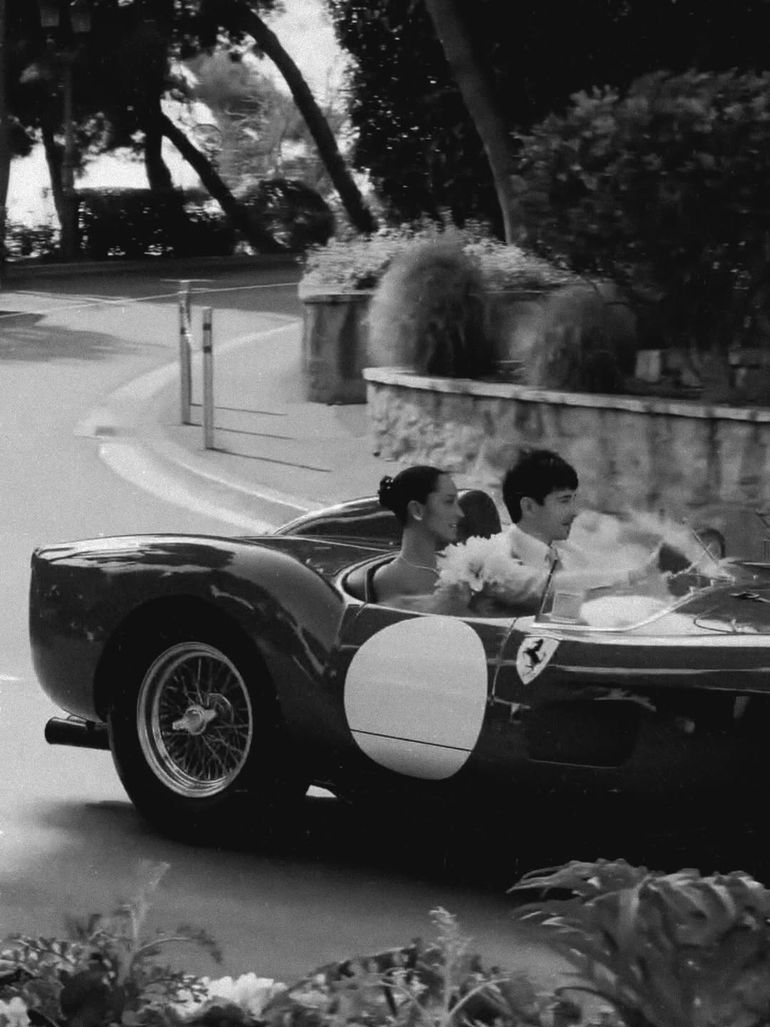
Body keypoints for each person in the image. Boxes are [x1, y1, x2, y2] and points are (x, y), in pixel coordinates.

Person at [492, 448, 657, 611]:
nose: (574, 511)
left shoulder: (568, 551)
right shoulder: (497, 556)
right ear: (529, 507)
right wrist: (632, 577)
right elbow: (548, 589)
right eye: (563, 501)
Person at [371, 465, 462, 604]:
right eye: (448, 502)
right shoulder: (391, 577)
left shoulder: (456, 562)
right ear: (417, 510)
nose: (460, 513)